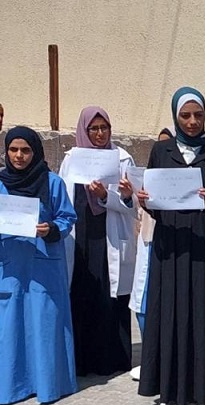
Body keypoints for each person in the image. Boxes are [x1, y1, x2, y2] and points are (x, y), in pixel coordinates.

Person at [136, 87, 205, 405]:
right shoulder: (161, 151)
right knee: (168, 313)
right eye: (185, 115)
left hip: (202, 247)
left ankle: (200, 391)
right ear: (175, 116)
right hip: (169, 247)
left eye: (198, 115)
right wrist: (145, 201)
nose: (193, 121)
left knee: (200, 313)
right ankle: (168, 391)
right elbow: (156, 203)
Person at [0, 127, 78, 405]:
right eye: (13, 150)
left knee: (45, 323)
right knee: (11, 324)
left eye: (26, 150)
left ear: (36, 152)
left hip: (44, 265)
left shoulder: (52, 182)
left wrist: (52, 229)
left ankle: (48, 384)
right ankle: (12, 385)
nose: (19, 156)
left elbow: (67, 217)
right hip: (10, 265)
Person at [59, 106, 137, 377]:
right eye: (94, 128)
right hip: (80, 235)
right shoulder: (72, 159)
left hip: (109, 236)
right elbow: (63, 197)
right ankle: (81, 361)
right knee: (81, 292)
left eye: (104, 128)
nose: (100, 133)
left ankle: (110, 360)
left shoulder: (122, 159)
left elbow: (133, 205)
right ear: (84, 130)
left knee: (109, 294)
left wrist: (108, 196)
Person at [129, 127, 174, 381]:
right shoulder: (150, 175)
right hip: (147, 241)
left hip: (170, 245)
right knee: (142, 303)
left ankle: (165, 362)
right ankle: (150, 358)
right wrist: (133, 196)